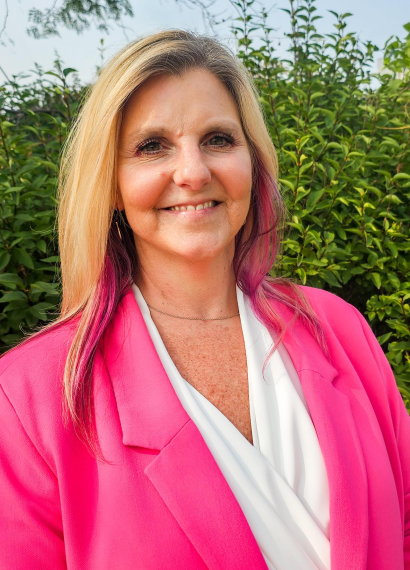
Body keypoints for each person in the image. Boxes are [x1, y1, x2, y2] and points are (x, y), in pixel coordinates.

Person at [0, 29, 409, 570]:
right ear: (112, 186)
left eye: (218, 139)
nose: (193, 172)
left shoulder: (337, 328)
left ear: (252, 160)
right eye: (152, 146)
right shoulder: (28, 396)